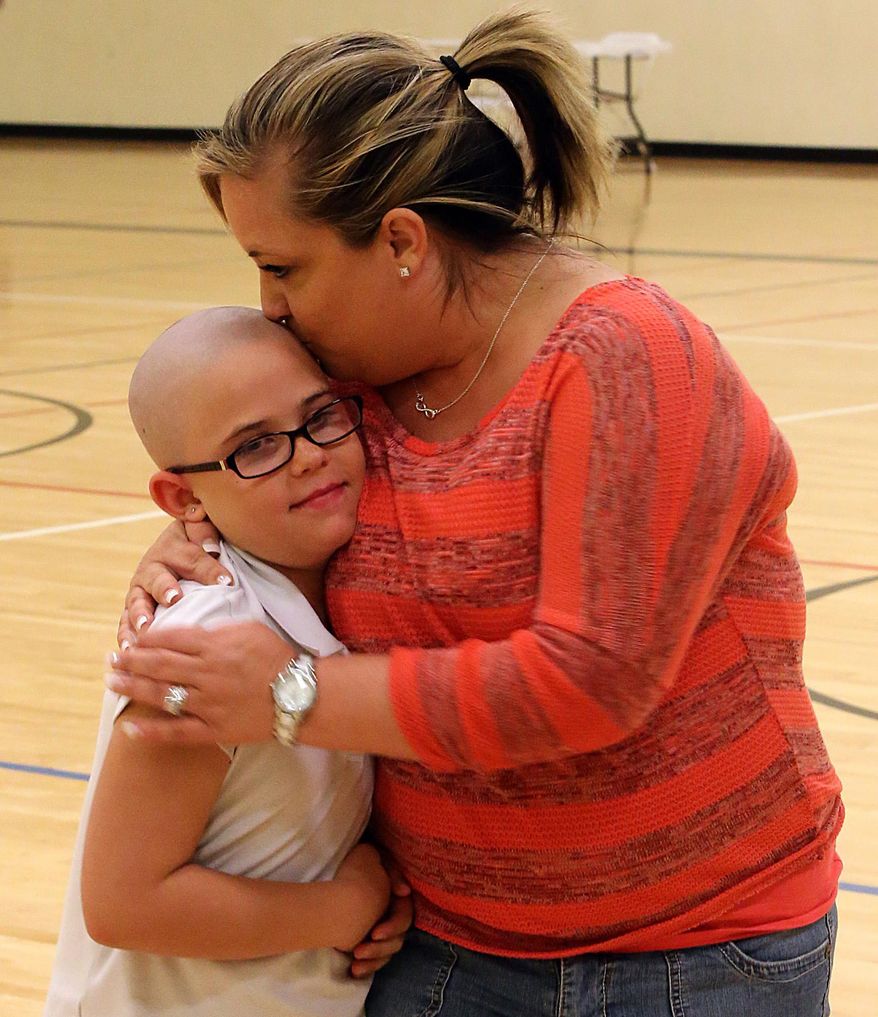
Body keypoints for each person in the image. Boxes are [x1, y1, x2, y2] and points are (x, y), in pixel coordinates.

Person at [107, 10, 843, 1016]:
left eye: (283, 266)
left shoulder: (623, 354)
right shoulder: (342, 378)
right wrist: (196, 535)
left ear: (401, 240)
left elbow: (588, 683)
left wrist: (291, 696)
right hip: (442, 948)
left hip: (697, 958)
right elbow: (272, 481)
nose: (269, 304)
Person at [45, 307, 408, 1017]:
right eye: (257, 446)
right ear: (182, 496)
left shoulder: (326, 594)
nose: (307, 454)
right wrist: (342, 907)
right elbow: (125, 902)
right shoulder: (204, 639)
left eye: (320, 417)